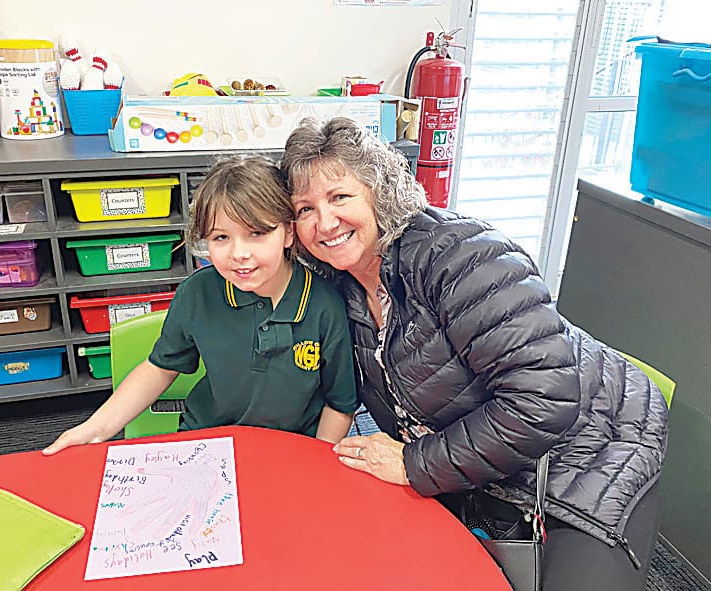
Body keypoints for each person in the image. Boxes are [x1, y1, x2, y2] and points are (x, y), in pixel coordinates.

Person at [281, 117, 668, 590]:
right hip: (468, 460)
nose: (324, 222)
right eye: (305, 208)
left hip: (587, 448)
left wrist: (413, 464)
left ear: (379, 192)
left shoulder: (460, 256)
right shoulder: (337, 285)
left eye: (340, 197)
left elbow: (543, 402)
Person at [43, 155, 359, 455]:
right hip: (208, 442)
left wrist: (313, 467)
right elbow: (159, 369)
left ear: (288, 232)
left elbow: (340, 405)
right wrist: (95, 428)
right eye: (221, 237)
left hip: (290, 451)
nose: (239, 253)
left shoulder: (324, 305)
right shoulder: (197, 292)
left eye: (257, 233)